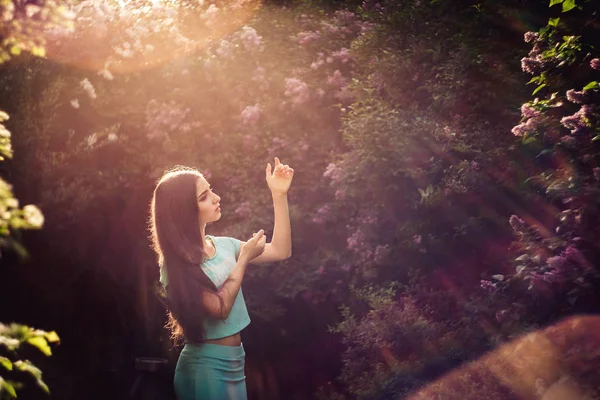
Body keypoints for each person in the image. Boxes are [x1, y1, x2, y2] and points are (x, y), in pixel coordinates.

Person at [148, 157, 294, 400]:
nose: (216, 198)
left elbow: (281, 250)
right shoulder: (175, 266)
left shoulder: (224, 245)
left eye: (211, 190)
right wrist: (243, 259)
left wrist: (279, 195)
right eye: (204, 196)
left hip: (236, 362)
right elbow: (220, 308)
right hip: (205, 368)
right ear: (185, 211)